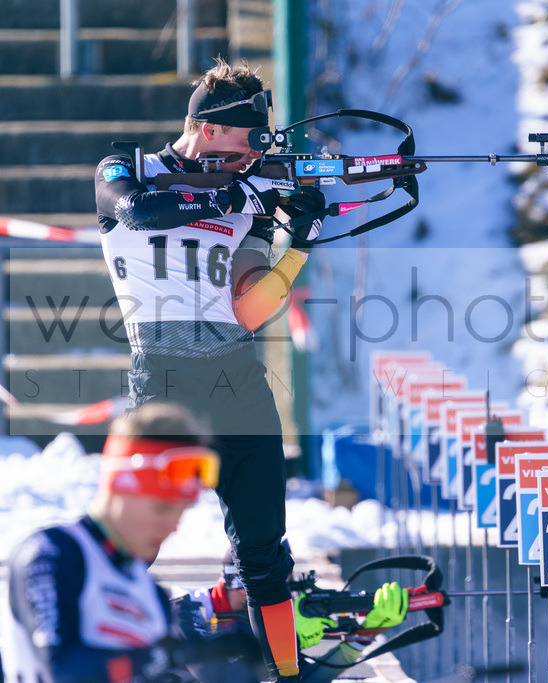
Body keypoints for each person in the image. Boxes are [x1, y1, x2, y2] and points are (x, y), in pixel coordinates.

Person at [93, 57, 324, 681]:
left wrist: (296, 244)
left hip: (238, 382)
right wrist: (230, 192)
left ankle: (286, 673)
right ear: (211, 128)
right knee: (136, 538)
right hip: (163, 383)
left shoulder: (247, 200)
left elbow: (250, 309)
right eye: (249, 142)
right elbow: (138, 210)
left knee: (265, 556)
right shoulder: (129, 167)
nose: (254, 156)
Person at [0, 401, 258, 682]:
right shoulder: (52, 554)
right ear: (119, 485)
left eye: (181, 511)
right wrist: (180, 654)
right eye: (162, 508)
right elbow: (63, 669)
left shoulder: (151, 593)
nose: (173, 527)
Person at [170, 555, 408, 683]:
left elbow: (305, 681)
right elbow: (220, 678)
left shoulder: (253, 618)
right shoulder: (187, 611)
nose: (278, 599)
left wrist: (367, 633)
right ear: (242, 583)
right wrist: (285, 641)